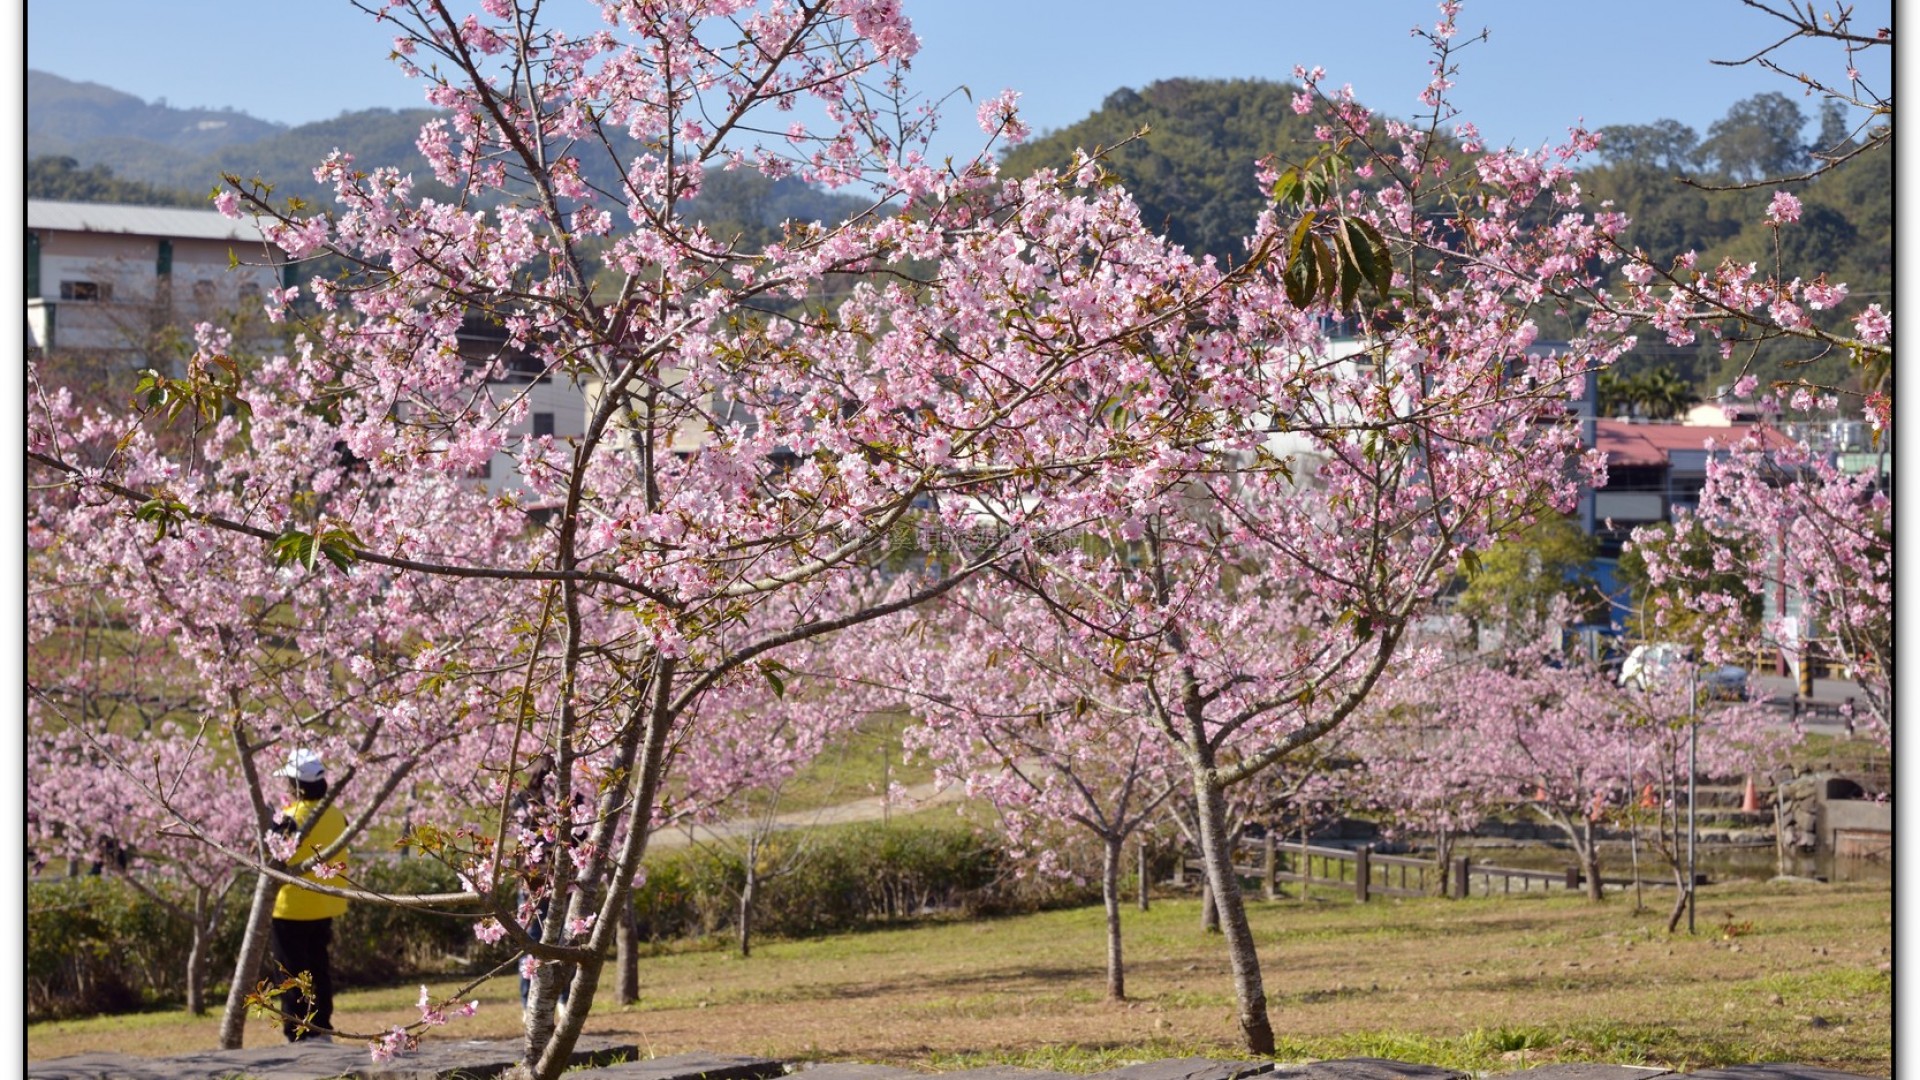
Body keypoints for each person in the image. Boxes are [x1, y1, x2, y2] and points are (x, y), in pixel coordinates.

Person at [268, 748, 349, 1043]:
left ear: (295, 785)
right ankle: (321, 1025)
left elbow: (272, 857)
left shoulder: (288, 819)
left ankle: (298, 1032)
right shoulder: (337, 815)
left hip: (291, 908)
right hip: (326, 904)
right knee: (319, 968)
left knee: (290, 973)